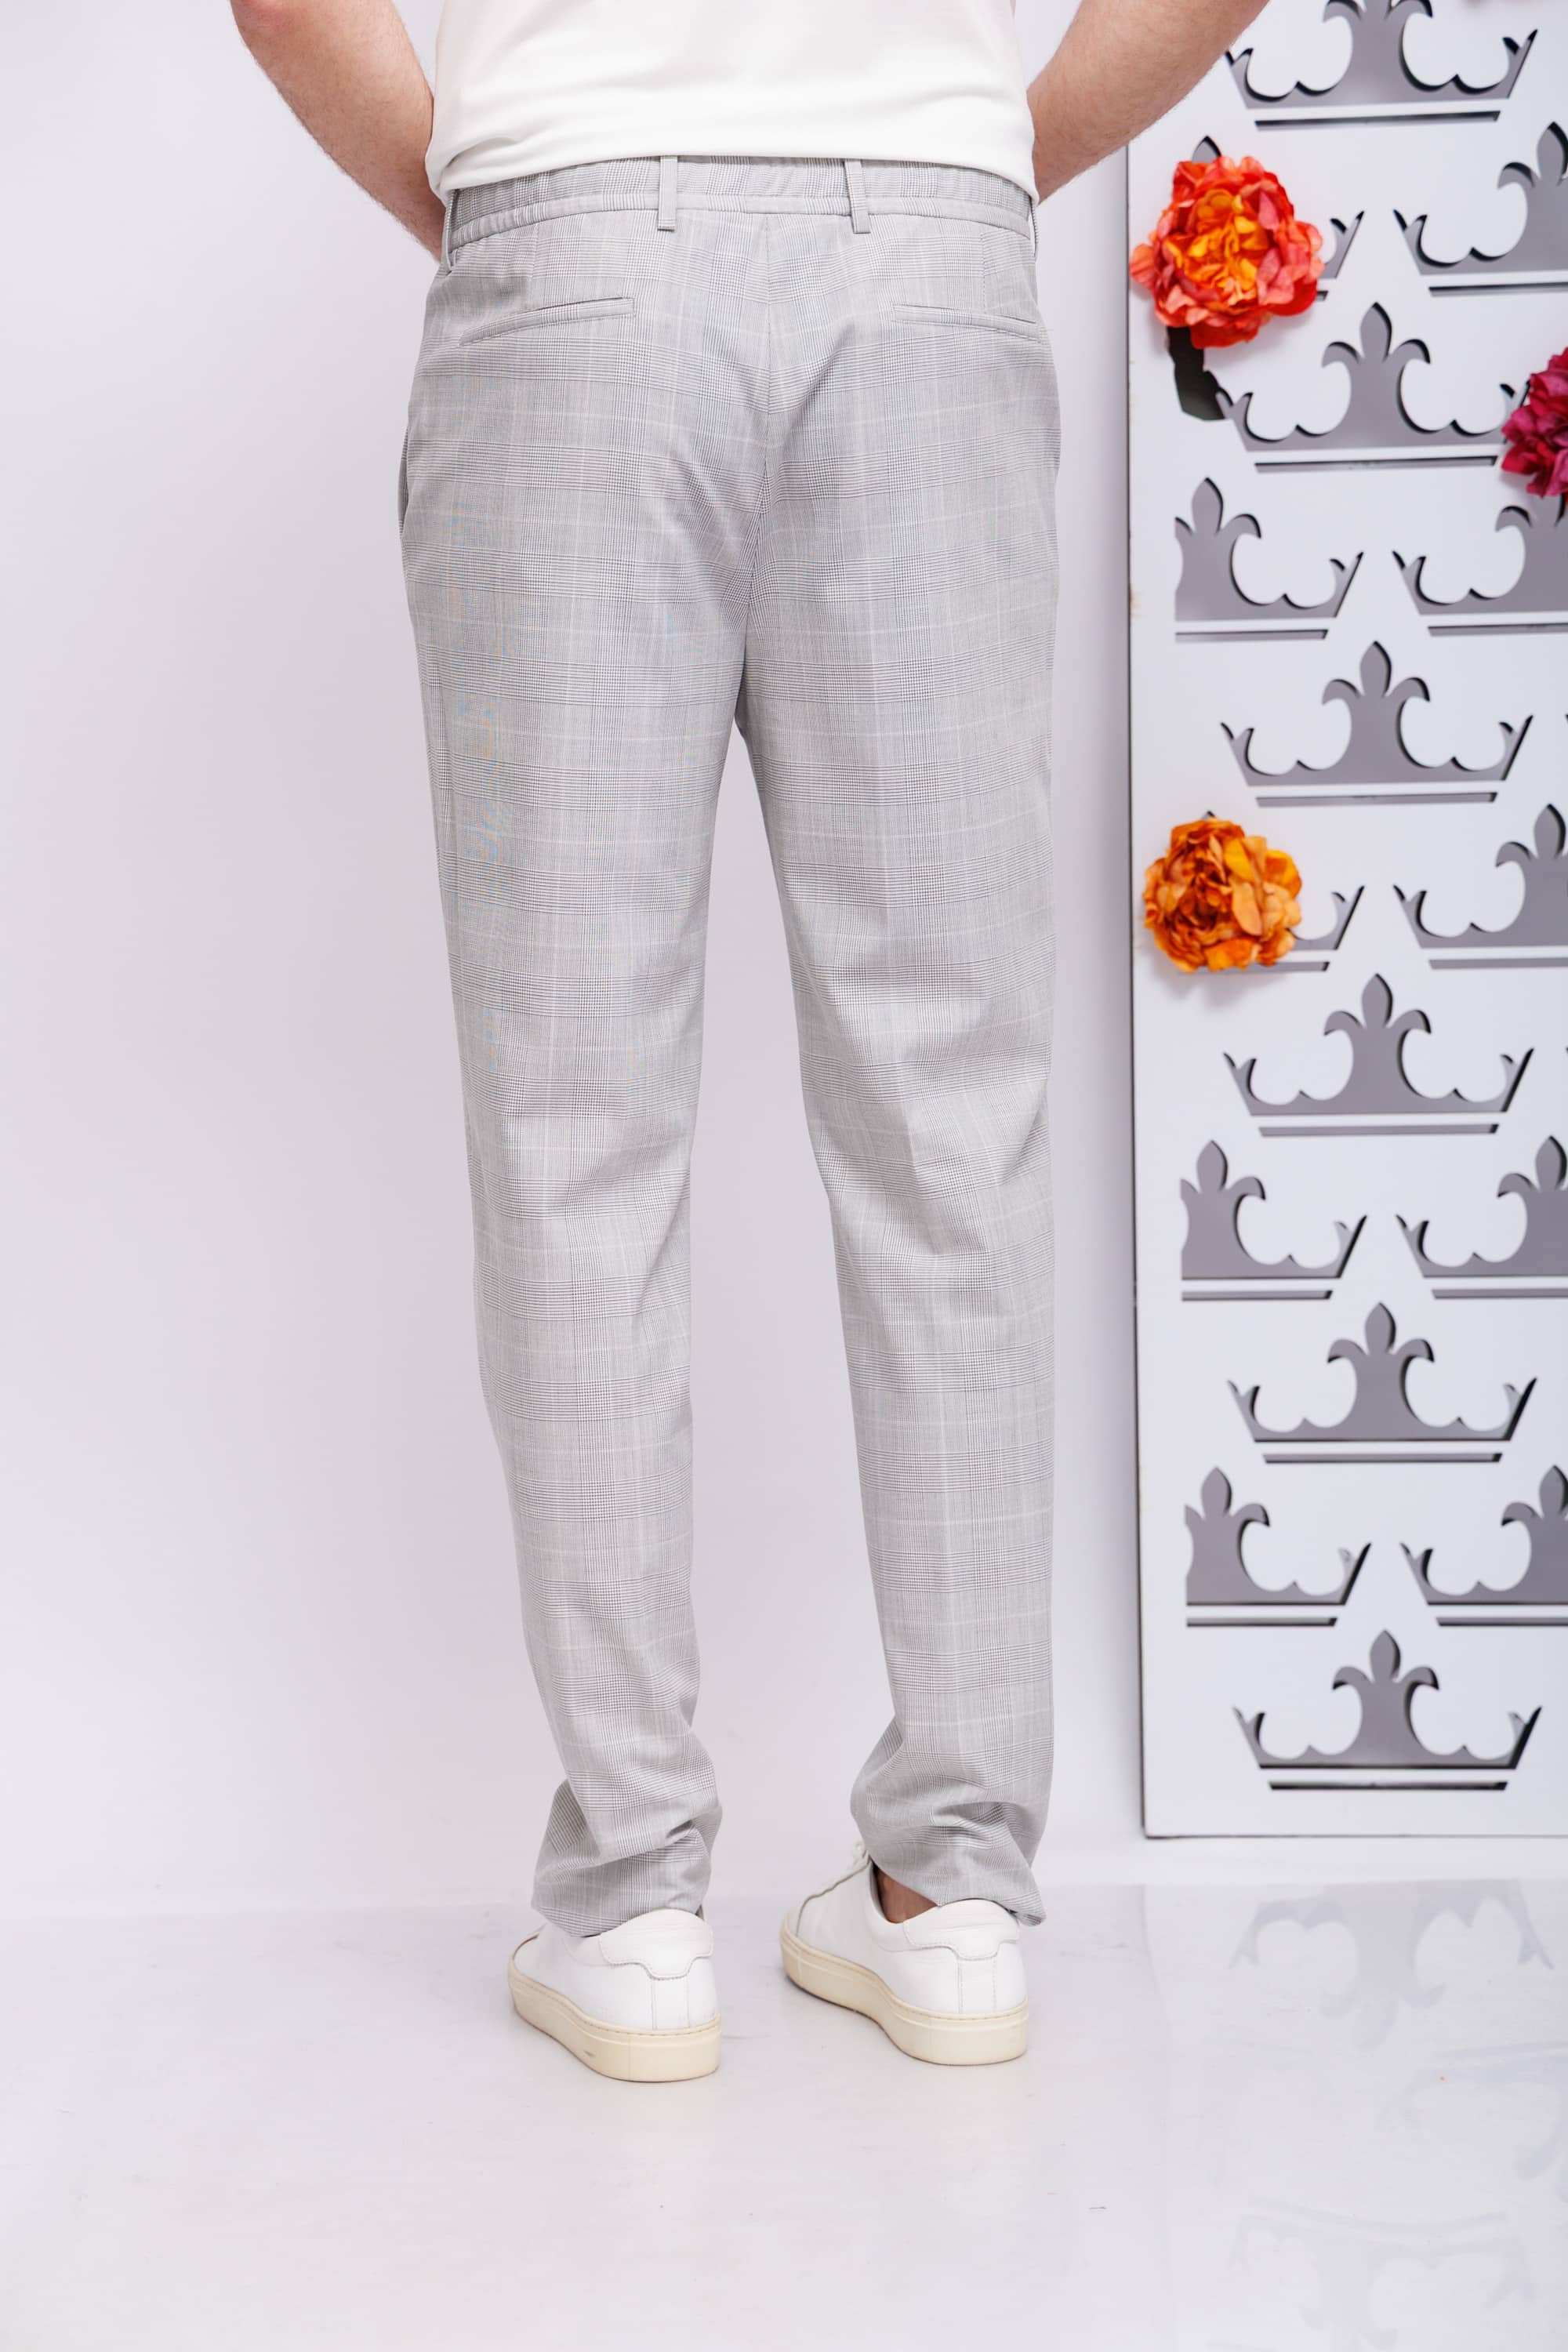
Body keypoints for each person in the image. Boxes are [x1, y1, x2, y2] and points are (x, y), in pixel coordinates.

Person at [232, 0, 1261, 2080]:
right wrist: (981, 148)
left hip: (571, 241)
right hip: (935, 260)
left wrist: (519, 194)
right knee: (954, 1106)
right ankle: (955, 1892)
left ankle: (630, 1908)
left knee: (572, 1111)